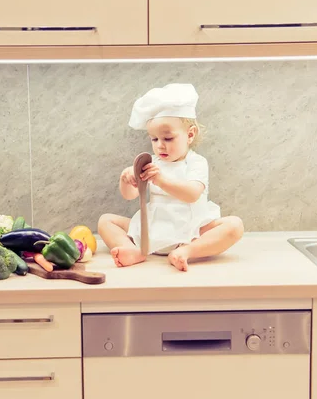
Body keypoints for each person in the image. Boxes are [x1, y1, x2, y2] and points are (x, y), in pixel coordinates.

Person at [98, 83, 244, 272]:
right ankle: (133, 250)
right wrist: (126, 181)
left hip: (191, 232)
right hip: (151, 230)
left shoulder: (196, 162)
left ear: (190, 135)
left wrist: (160, 180)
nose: (160, 146)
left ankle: (186, 252)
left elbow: (192, 194)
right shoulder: (150, 162)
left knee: (234, 225)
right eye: (154, 139)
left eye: (168, 139)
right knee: (105, 221)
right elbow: (131, 195)